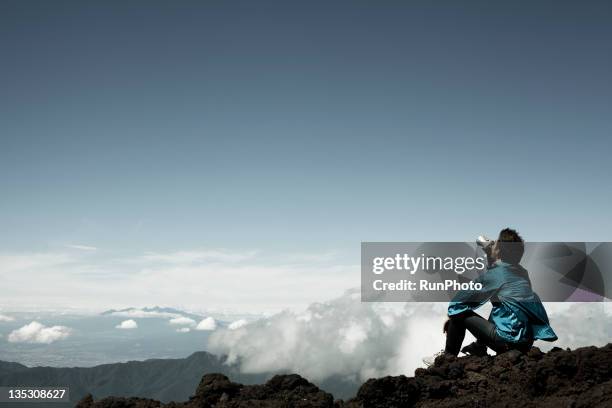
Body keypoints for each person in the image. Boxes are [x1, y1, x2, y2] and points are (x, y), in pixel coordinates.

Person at [424, 228, 557, 365]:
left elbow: (458, 302)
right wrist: (491, 255)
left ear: (499, 251)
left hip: (506, 341)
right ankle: (479, 347)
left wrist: (453, 318)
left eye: (495, 243)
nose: (492, 243)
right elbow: (497, 282)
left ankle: (446, 359)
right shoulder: (522, 273)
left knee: (459, 312)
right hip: (525, 343)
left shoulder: (496, 275)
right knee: (500, 306)